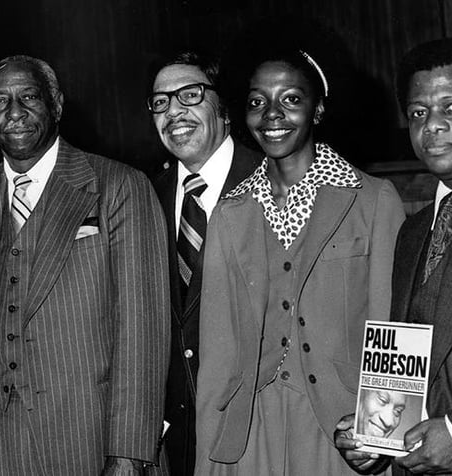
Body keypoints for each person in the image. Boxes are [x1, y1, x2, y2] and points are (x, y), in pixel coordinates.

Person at [194, 43, 405, 475]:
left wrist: (381, 434)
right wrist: (208, 457)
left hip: (342, 429)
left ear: (318, 110)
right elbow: (218, 352)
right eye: (258, 102)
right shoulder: (231, 212)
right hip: (249, 432)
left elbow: (393, 331)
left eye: (291, 99)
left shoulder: (372, 200)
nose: (272, 114)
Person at [0, 55, 169, 475]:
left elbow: (143, 329)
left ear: (55, 103)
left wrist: (127, 453)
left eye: (29, 97)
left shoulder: (118, 185)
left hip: (90, 438)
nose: (14, 113)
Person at [336, 36, 452, 476]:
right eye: (418, 112)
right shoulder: (413, 230)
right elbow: (404, 357)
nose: (433, 125)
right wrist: (373, 434)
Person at [147, 51, 258, 476]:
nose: (174, 111)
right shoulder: (143, 199)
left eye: (189, 95)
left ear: (224, 107)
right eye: (160, 102)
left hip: (253, 432)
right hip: (174, 444)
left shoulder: (271, 181)